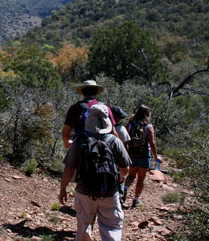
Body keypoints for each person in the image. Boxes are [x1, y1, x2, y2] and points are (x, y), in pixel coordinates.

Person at [59, 103, 131, 241]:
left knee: (84, 225)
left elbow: (69, 168)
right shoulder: (114, 141)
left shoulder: (80, 141)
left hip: (84, 190)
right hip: (109, 191)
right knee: (112, 226)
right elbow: (125, 168)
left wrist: (63, 188)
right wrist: (120, 178)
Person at [122, 104, 163, 208]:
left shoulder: (130, 124)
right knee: (141, 179)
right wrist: (156, 156)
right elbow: (152, 143)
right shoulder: (148, 126)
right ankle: (136, 199)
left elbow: (125, 137)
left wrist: (125, 151)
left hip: (132, 154)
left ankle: (125, 189)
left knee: (131, 175)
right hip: (144, 155)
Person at [62, 80, 117, 149]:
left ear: (83, 93)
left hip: (81, 143)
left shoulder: (74, 108)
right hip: (103, 143)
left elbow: (66, 132)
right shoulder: (105, 108)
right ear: (96, 93)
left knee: (68, 160)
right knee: (123, 157)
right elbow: (114, 132)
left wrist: (67, 142)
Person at [111, 106, 131, 206]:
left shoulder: (101, 128)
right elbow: (126, 146)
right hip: (118, 161)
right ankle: (119, 201)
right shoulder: (121, 129)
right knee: (120, 180)